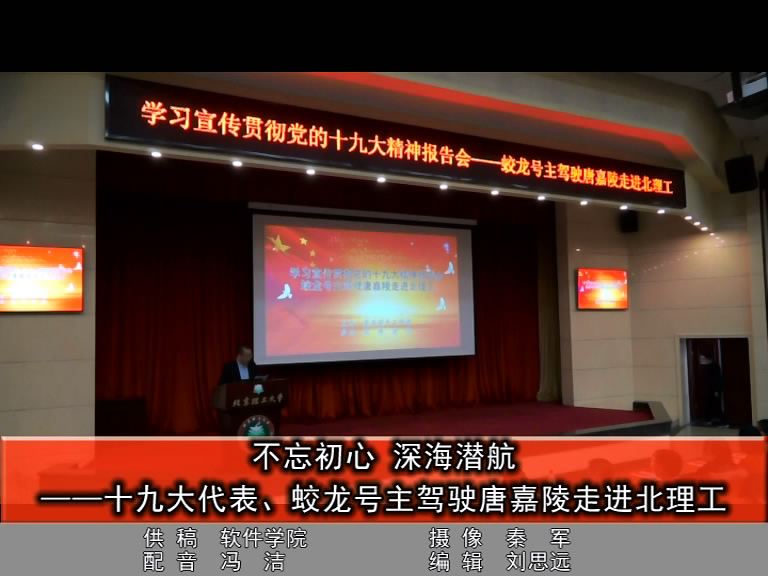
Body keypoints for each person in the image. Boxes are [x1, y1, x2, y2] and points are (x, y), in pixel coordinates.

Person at [699, 352, 724, 425]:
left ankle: (722, 421)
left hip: (714, 390)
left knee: (716, 405)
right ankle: (708, 419)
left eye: (704, 359)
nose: (702, 360)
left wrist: (716, 390)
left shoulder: (714, 367)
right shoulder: (707, 367)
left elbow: (716, 379)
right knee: (708, 405)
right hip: (709, 389)